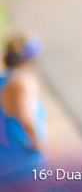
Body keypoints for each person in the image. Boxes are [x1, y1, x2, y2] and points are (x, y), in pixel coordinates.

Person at [0, 33, 48, 184]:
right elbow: (27, 118)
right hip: (21, 155)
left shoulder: (4, 77)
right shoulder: (23, 82)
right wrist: (38, 144)